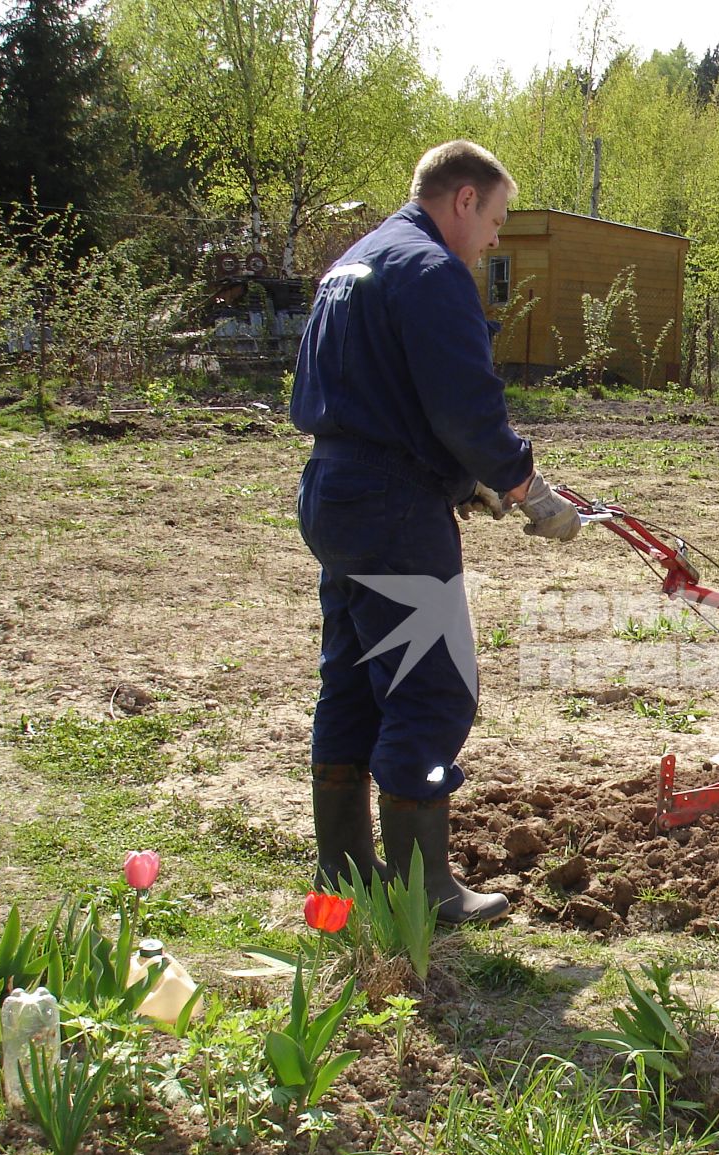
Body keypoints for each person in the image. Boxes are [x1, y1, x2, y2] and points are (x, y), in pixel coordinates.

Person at [289, 140, 580, 923]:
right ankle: (426, 890)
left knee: (352, 678)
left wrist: (461, 479)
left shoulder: (354, 263)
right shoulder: (430, 271)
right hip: (390, 506)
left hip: (334, 491)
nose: (494, 240)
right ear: (461, 200)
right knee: (430, 685)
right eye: (495, 219)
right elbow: (462, 404)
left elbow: (380, 390)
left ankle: (345, 875)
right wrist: (522, 486)